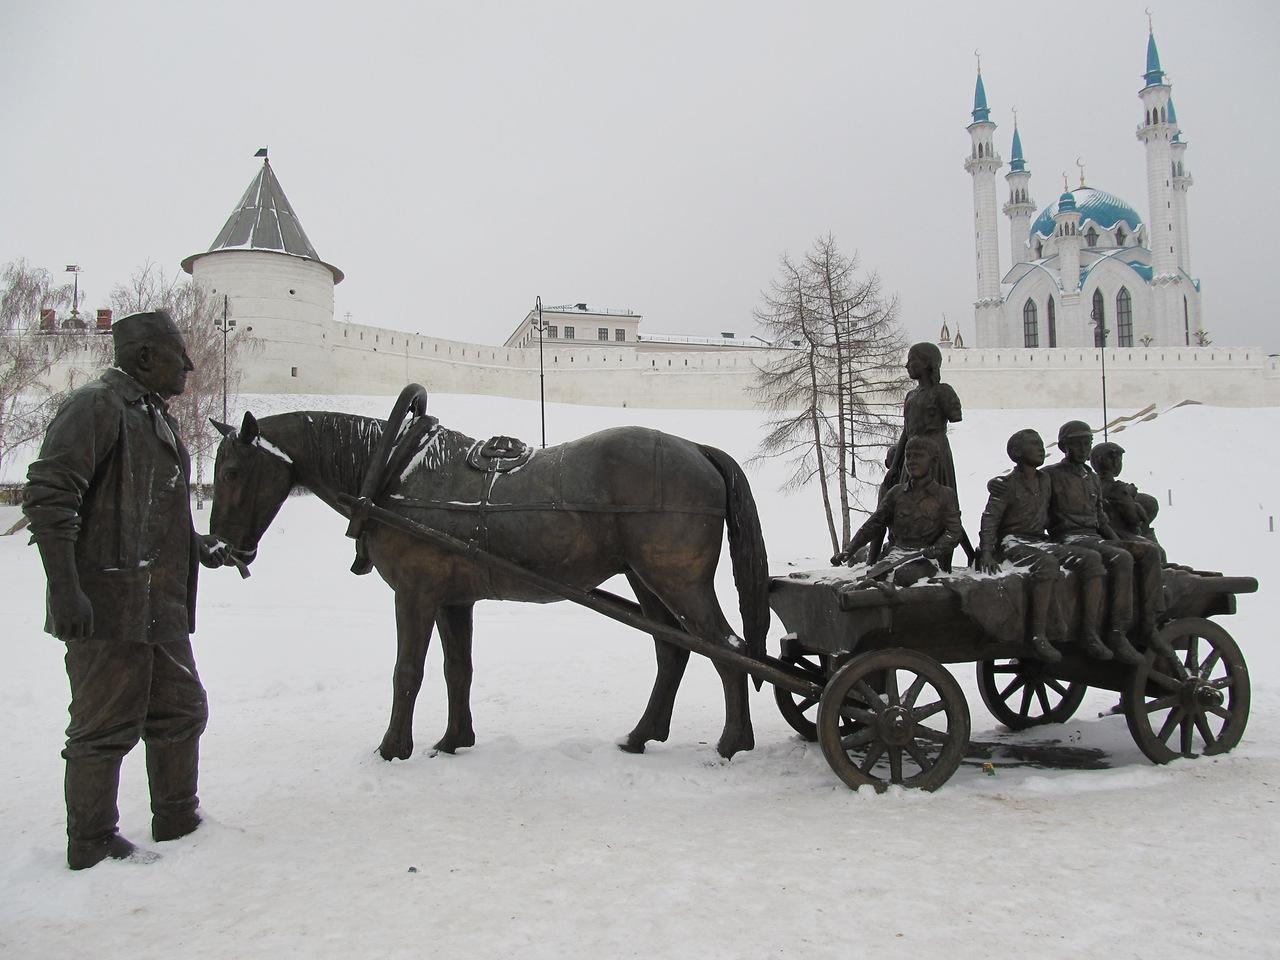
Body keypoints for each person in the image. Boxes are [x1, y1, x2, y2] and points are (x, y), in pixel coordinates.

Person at [23, 310, 228, 870]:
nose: (188, 365)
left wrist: (196, 545)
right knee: (104, 725)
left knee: (182, 710)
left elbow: (153, 508)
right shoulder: (97, 407)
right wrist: (65, 590)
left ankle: (178, 818)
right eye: (177, 354)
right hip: (109, 606)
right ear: (143, 357)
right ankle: (91, 843)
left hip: (158, 605)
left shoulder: (154, 415)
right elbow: (49, 496)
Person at [977, 429, 1114, 663]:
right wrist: (988, 552)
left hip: (1040, 541)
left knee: (1090, 560)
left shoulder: (1046, 480)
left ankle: (1089, 632)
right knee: (1048, 565)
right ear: (1016, 452)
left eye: (1041, 443)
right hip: (1013, 543)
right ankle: (1038, 635)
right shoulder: (1007, 485)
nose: (1041, 448)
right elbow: (989, 520)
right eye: (1034, 444)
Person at [1043, 421, 1171, 664]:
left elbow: (1100, 517)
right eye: (1076, 444)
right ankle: (1116, 631)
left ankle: (1148, 623)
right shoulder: (1051, 476)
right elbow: (1038, 510)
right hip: (1068, 537)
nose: (1082, 449)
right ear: (1063, 447)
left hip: (1094, 536)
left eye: (1087, 443)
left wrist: (1118, 540)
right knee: (1120, 558)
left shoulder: (1091, 478)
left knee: (1149, 552)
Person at [876, 341, 972, 565]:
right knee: (905, 504)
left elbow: (955, 415)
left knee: (943, 506)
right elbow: (906, 432)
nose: (907, 365)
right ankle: (903, 549)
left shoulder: (942, 392)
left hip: (935, 454)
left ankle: (949, 558)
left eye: (912, 360)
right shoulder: (911, 396)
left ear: (928, 363)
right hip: (912, 454)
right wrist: (895, 465)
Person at [832, 436, 962, 587]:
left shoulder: (945, 495)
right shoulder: (896, 492)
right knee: (875, 575)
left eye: (918, 456)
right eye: (908, 456)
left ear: (933, 461)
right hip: (895, 555)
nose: (912, 461)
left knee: (904, 576)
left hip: (925, 559)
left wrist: (936, 549)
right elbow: (875, 523)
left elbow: (954, 531)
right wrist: (850, 549)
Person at [1090, 441, 1160, 545]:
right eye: (1118, 459)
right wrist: (1129, 497)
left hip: (1104, 532)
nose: (1119, 463)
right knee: (1156, 550)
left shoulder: (1091, 483)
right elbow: (1133, 519)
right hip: (1118, 534)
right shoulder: (1118, 489)